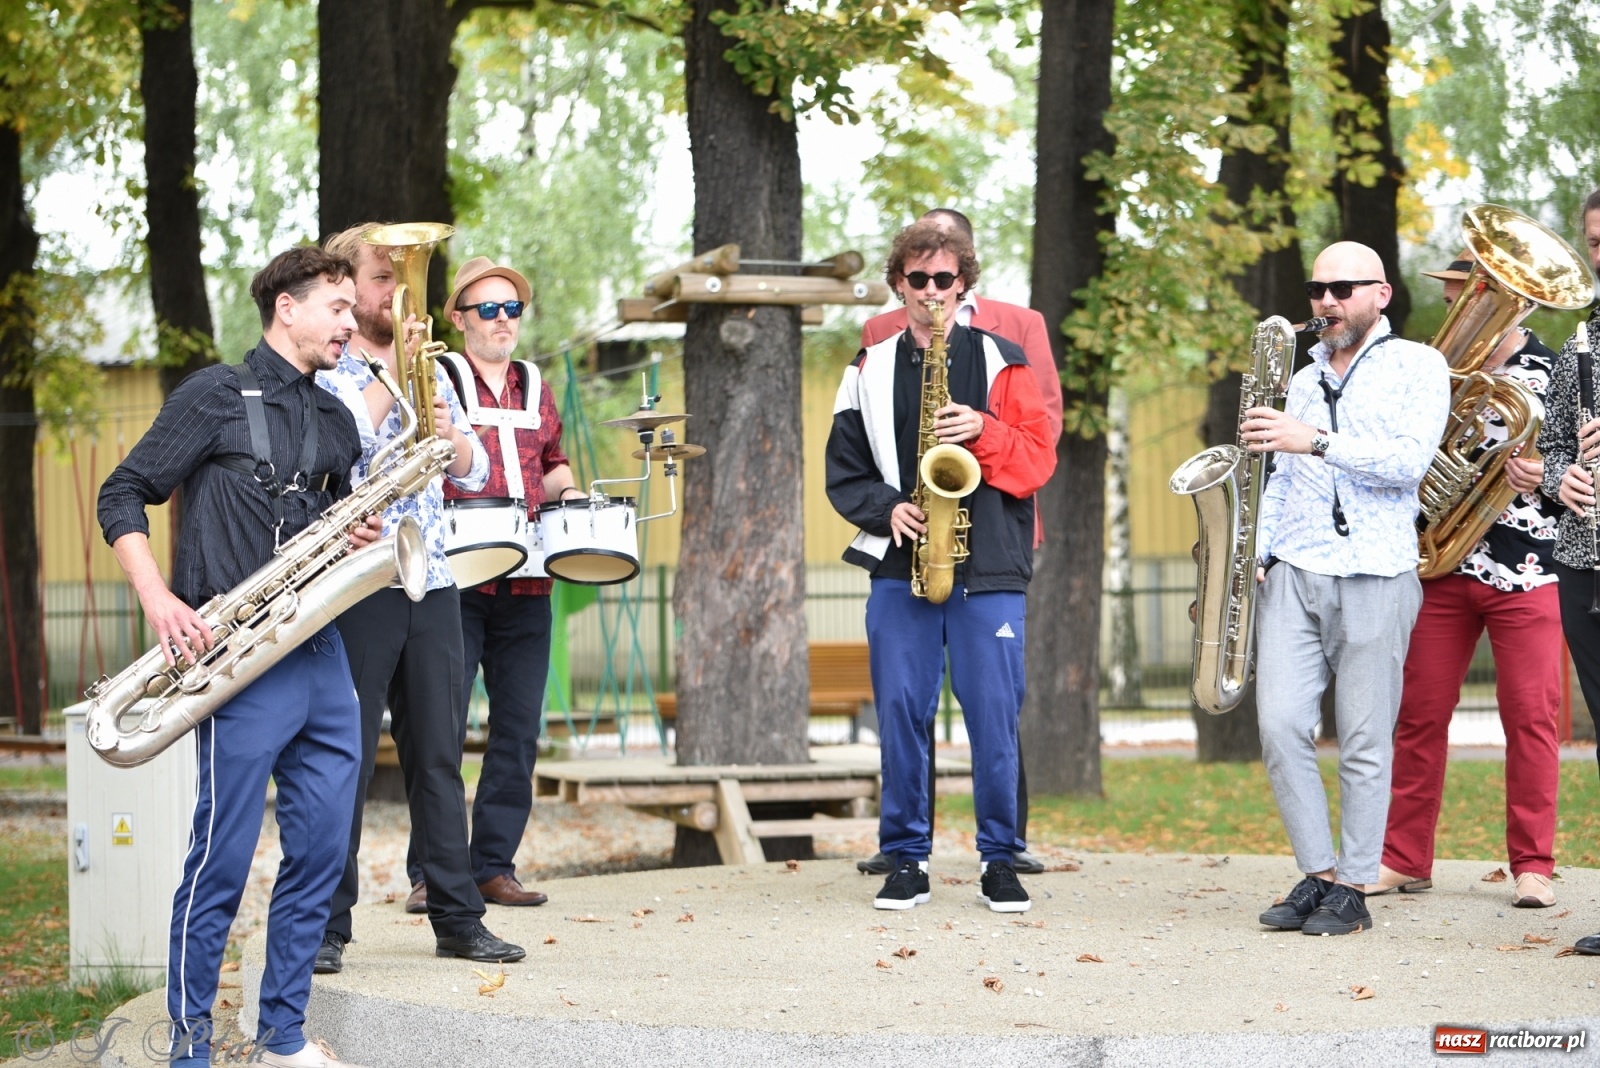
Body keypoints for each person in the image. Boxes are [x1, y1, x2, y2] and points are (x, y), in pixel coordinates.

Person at [97, 246, 378, 1068]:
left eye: (352, 309)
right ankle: (189, 1047)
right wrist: (158, 597)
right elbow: (123, 491)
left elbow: (323, 528)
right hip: (237, 657)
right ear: (285, 307)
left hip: (322, 655)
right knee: (220, 861)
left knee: (324, 851)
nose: (349, 321)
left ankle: (281, 1037)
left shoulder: (337, 419)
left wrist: (356, 531)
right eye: (335, 305)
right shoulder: (215, 394)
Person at [826, 220, 1056, 913]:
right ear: (899, 285)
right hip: (902, 566)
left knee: (992, 714)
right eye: (918, 280)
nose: (932, 293)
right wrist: (886, 509)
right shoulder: (866, 368)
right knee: (899, 712)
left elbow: (1038, 459)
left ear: (965, 285)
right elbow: (844, 470)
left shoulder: (1005, 359)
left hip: (988, 567)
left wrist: (983, 431)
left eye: (945, 281)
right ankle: (905, 857)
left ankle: (999, 857)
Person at [312, 224, 525, 972]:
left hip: (431, 577)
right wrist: (393, 372)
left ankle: (457, 918)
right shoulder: (329, 368)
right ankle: (327, 928)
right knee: (347, 757)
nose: (395, 295)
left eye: (398, 280)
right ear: (348, 291)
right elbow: (342, 445)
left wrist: (433, 400)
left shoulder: (429, 369)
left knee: (438, 756)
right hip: (364, 583)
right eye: (379, 280)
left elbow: (466, 466)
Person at [1243, 241, 1450, 936]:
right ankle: (1319, 873)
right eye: (1318, 290)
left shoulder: (1419, 365)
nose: (1327, 302)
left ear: (1381, 294)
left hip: (1375, 570)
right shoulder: (1300, 379)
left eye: (1343, 289)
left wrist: (1316, 440)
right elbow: (1279, 475)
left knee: (1364, 739)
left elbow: (1406, 464)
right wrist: (1262, 551)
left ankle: (1356, 886)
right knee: (1278, 726)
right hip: (1295, 571)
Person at [1372, 248, 1563, 909]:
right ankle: (1402, 858)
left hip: (1530, 567)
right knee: (1416, 716)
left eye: (1474, 293)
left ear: (1520, 301)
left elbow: (1585, 469)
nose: (1463, 303)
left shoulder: (1558, 370)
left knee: (1532, 719)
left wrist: (1551, 475)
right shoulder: (1431, 368)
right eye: (1459, 293)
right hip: (1440, 566)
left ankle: (1533, 866)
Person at [420, 255, 586, 908]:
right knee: (441, 726)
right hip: (456, 577)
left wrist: (573, 498)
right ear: (460, 319)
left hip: (529, 581)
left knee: (518, 730)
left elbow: (551, 461)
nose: (502, 320)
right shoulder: (438, 376)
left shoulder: (536, 382)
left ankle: (493, 865)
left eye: (512, 308)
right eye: (487, 309)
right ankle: (429, 873)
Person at [1537, 188, 1600, 952]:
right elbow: (1553, 445)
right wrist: (1562, 481)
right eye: (1595, 239)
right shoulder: (1583, 342)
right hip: (1588, 562)